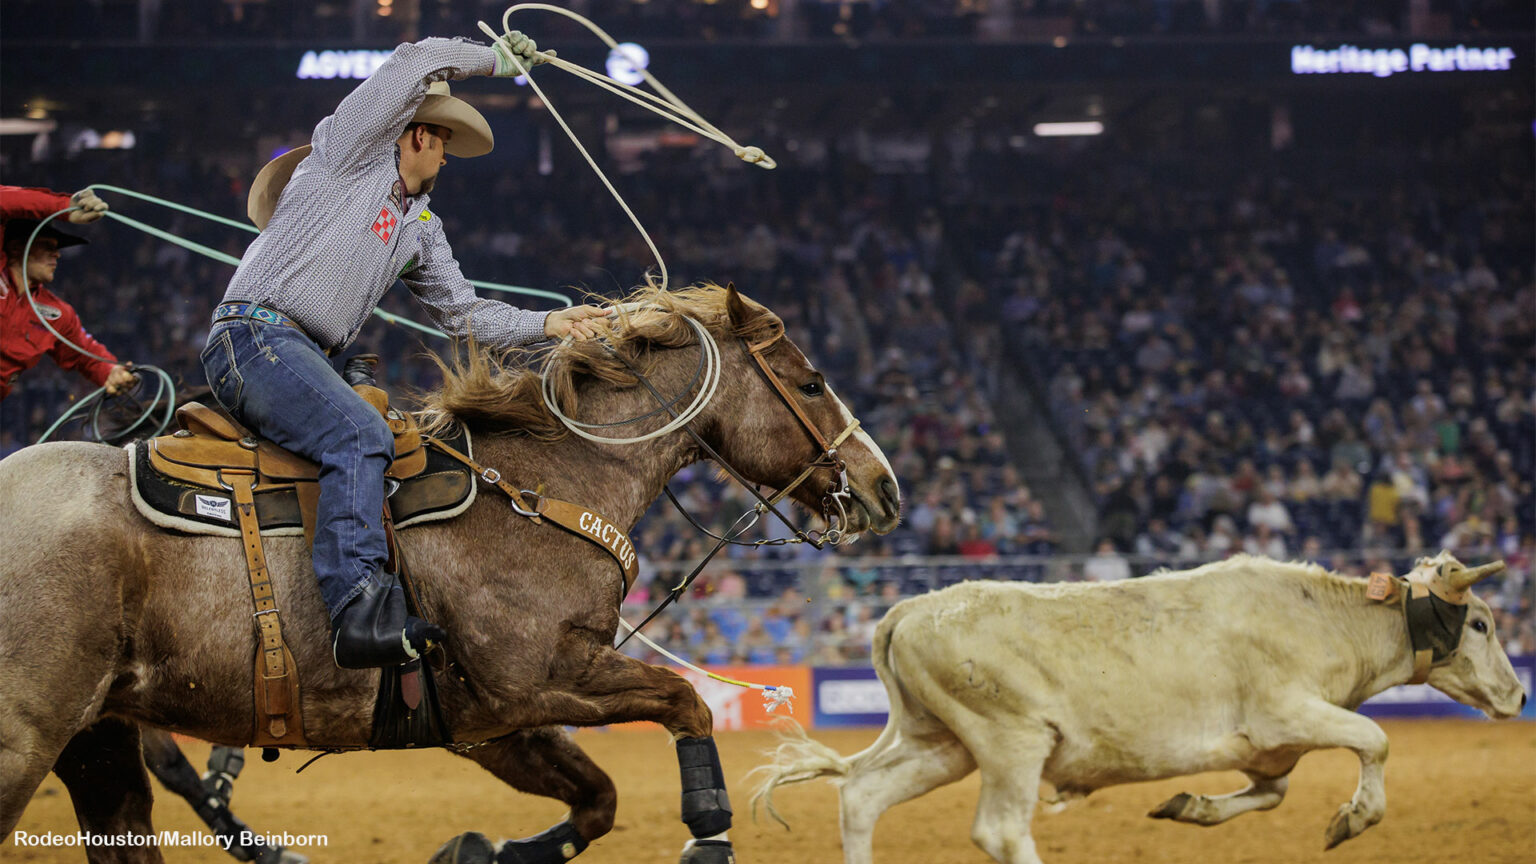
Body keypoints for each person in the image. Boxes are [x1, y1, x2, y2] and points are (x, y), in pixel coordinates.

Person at [205, 33, 612, 670]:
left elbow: (466, 315)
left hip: (296, 350)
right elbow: (415, 59)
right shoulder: (346, 157)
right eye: (445, 142)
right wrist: (498, 61)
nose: (448, 159)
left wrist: (551, 323)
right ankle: (357, 609)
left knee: (382, 438)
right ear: (419, 134)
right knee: (360, 436)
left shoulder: (421, 227)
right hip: (256, 336)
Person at [1, 185, 137, 400]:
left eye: (57, 248)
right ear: (17, 248)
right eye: (47, 246)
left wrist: (110, 372)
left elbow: (86, 355)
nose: (57, 255)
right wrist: (63, 206)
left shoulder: (56, 313)